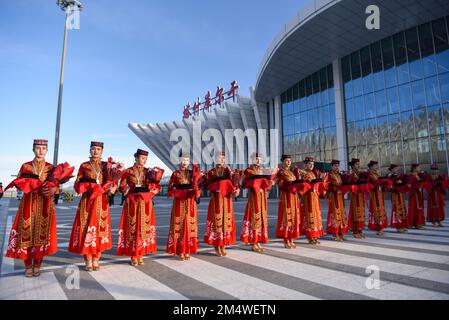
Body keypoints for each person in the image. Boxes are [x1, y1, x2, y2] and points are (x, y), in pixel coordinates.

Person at [5, 139, 58, 277]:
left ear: (47, 150)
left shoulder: (51, 167)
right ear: (33, 149)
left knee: (42, 234)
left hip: (45, 204)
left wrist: (52, 190)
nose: (40, 151)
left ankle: (38, 265)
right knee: (26, 233)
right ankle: (28, 265)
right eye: (37, 148)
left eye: (43, 148)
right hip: (28, 203)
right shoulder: (26, 166)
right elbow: (19, 182)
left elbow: (56, 186)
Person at [68, 141, 119, 271]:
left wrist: (113, 188)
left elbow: (113, 182)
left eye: (98, 149)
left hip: (102, 201)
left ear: (102, 151)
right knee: (86, 229)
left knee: (100, 229)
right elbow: (77, 183)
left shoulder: (106, 166)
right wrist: (85, 187)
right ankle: (87, 259)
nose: (95, 151)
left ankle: (96, 258)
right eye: (93, 149)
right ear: (90, 150)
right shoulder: (84, 165)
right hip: (87, 201)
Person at [117, 149, 159, 266]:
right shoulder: (128, 171)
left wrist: (155, 190)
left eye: (146, 159)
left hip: (145, 203)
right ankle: (133, 255)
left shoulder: (149, 172)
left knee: (143, 228)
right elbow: (122, 186)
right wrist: (125, 190)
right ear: (136, 158)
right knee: (133, 228)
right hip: (133, 202)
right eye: (142, 158)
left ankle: (141, 253)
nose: (144, 160)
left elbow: (155, 185)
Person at [166, 152, 201, 261]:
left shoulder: (193, 173)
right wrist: (177, 192)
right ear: (179, 160)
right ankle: (180, 250)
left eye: (187, 160)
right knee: (179, 225)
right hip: (179, 202)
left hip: (190, 202)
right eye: (183, 160)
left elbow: (198, 187)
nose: (185, 162)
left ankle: (188, 249)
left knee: (189, 224)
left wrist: (196, 191)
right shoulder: (175, 174)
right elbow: (170, 188)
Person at [204, 151, 239, 257]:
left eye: (223, 158)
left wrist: (236, 189)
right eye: (219, 157)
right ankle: (216, 245)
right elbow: (206, 186)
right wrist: (217, 186)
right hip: (216, 199)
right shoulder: (211, 172)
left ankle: (223, 244)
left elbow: (234, 183)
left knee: (225, 220)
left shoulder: (228, 171)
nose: (222, 160)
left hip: (227, 199)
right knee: (216, 220)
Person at [240, 152, 274, 253]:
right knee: (254, 217)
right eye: (256, 159)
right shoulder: (249, 170)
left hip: (262, 196)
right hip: (254, 196)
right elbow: (244, 183)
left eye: (259, 159)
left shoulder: (263, 170)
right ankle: (253, 241)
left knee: (262, 217)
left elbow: (267, 185)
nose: (258, 160)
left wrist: (270, 183)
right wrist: (253, 183)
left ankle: (259, 240)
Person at [276, 154, 300, 248]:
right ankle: (286, 240)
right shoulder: (280, 172)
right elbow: (281, 185)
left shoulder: (292, 173)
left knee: (293, 217)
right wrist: (289, 185)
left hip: (293, 197)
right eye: (286, 160)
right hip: (286, 197)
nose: (289, 162)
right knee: (287, 217)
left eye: (290, 160)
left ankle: (291, 238)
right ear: (283, 162)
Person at [299, 157, 324, 245]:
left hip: (314, 196)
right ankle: (310, 236)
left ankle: (315, 235)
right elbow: (303, 184)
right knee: (309, 215)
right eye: (309, 164)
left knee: (316, 215)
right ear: (305, 165)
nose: (311, 165)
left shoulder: (313, 173)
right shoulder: (302, 173)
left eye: (312, 164)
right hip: (308, 196)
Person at [325, 160, 348, 241]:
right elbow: (326, 185)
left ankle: (341, 232)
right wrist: (333, 188)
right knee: (335, 213)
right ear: (331, 166)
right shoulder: (329, 175)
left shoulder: (339, 175)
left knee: (341, 213)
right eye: (335, 165)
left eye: (337, 166)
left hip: (340, 196)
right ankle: (335, 233)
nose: (336, 167)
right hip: (334, 196)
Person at [367, 160, 388, 235]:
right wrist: (384, 181)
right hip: (374, 195)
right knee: (376, 211)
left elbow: (379, 183)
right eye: (375, 165)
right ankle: (378, 228)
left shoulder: (376, 173)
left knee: (381, 210)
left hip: (379, 194)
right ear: (371, 167)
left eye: (377, 165)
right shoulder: (370, 174)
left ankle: (380, 227)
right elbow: (376, 183)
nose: (377, 166)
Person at [347, 158, 366, 239]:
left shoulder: (360, 173)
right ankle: (355, 230)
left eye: (359, 164)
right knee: (356, 212)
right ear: (352, 165)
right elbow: (350, 184)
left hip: (361, 195)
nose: (358, 166)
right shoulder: (351, 174)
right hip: (355, 195)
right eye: (356, 164)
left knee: (361, 212)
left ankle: (360, 229)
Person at [388, 164, 408, 233]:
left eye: (397, 168)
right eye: (395, 168)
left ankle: (403, 225)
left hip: (400, 194)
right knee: (397, 210)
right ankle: (398, 226)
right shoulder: (390, 176)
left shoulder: (399, 176)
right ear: (391, 169)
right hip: (395, 195)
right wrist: (396, 182)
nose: (396, 170)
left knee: (402, 209)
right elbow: (390, 185)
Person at [408, 163, 426, 229]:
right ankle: (417, 224)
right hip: (414, 195)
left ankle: (417, 223)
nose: (419, 169)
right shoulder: (412, 176)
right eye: (418, 168)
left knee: (418, 208)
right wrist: (420, 183)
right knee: (415, 209)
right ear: (415, 168)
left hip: (418, 194)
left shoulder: (417, 176)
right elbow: (411, 185)